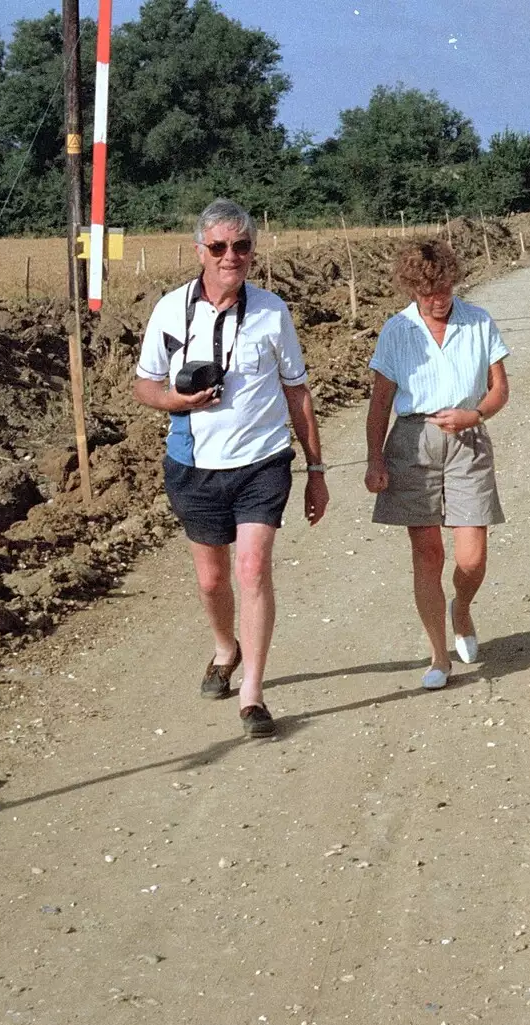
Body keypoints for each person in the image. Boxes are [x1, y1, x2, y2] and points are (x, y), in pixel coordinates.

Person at [134, 198, 329, 738]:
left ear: (253, 252)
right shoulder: (170, 311)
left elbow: (297, 391)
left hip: (262, 463)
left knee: (251, 570)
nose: (230, 257)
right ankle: (226, 648)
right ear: (200, 250)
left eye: (241, 247)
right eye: (219, 247)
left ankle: (253, 695)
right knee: (210, 578)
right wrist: (177, 402)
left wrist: (316, 469)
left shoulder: (272, 311)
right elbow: (144, 385)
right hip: (193, 463)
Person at [365, 239, 511, 691]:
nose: (438, 298)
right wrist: (375, 459)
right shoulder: (396, 331)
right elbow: (380, 403)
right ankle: (438, 655)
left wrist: (477, 414)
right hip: (412, 443)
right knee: (427, 554)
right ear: (412, 289)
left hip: (467, 438)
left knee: (472, 558)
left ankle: (461, 609)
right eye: (428, 291)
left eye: (445, 286)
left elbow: (499, 388)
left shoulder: (478, 321)